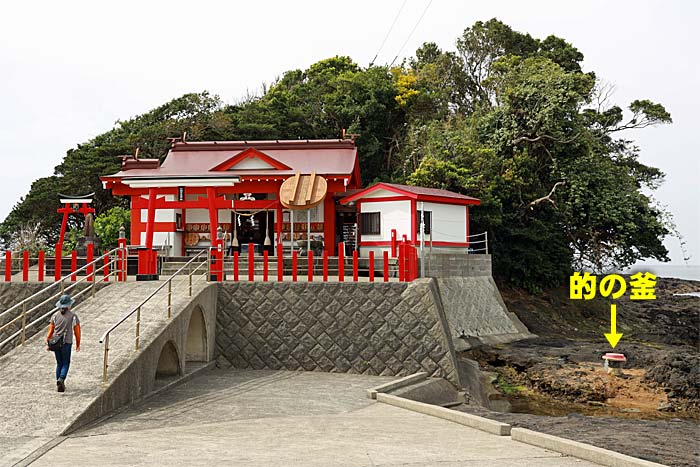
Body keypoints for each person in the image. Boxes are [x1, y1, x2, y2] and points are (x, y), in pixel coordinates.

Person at [46, 294, 81, 392]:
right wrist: (78, 344)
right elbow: (77, 331)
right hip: (66, 343)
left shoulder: (55, 316)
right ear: (69, 305)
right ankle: (61, 379)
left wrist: (48, 343)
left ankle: (59, 383)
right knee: (66, 363)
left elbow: (50, 331)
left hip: (56, 343)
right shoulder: (73, 316)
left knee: (59, 363)